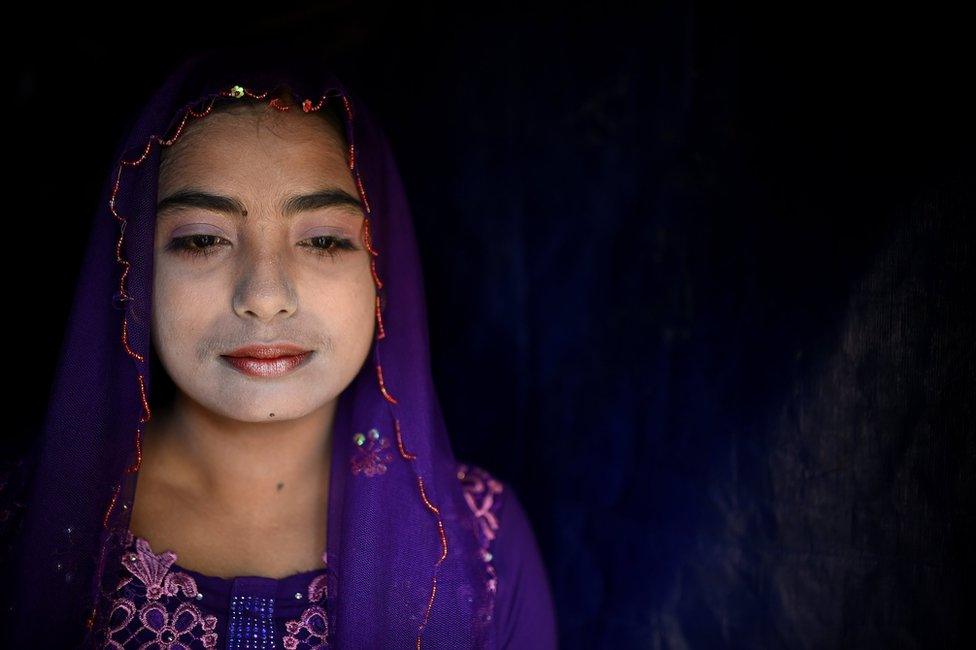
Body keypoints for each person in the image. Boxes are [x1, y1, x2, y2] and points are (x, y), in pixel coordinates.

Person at [0, 41, 558, 649]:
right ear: (131, 268)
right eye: (202, 240)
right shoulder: (24, 521)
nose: (264, 297)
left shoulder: (481, 541)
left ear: (383, 270)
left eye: (321, 240)